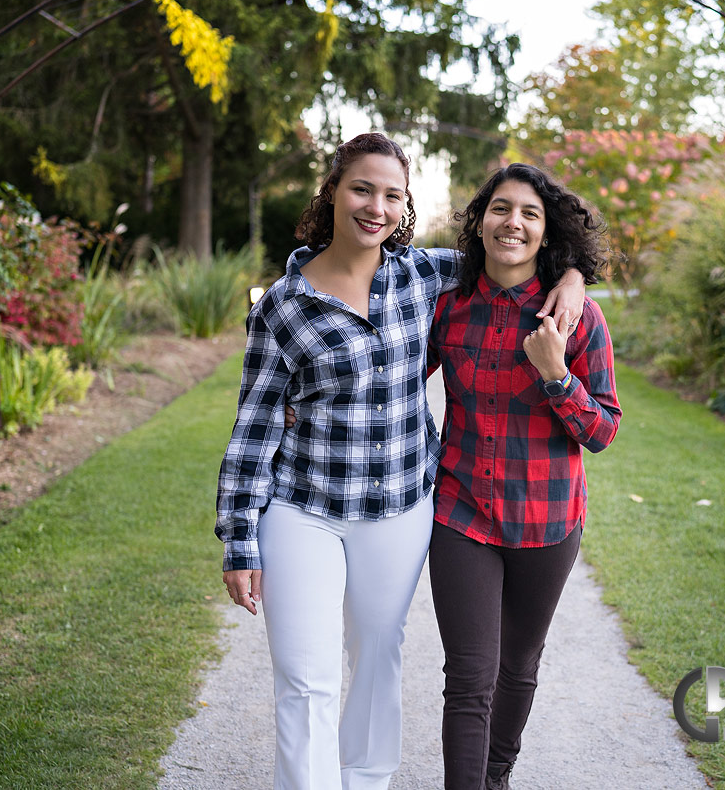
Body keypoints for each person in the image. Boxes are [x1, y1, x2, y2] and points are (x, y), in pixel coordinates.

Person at [215, 133, 585, 790]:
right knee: (306, 675)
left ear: (405, 205)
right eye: (362, 188)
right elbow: (253, 427)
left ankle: (364, 778)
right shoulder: (283, 305)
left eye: (393, 195)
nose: (376, 207)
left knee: (378, 655)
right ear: (333, 191)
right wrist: (239, 539)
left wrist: (574, 277)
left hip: (402, 507)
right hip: (305, 509)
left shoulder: (423, 275)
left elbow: (513, 252)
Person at [427, 163, 621, 790]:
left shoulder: (576, 319)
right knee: (470, 673)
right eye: (501, 209)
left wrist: (556, 375)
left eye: (530, 214)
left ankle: (496, 776)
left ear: (546, 233)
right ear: (480, 222)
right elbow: (391, 378)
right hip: (461, 513)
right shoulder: (448, 308)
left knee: (518, 665)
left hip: (547, 518)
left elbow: (602, 431)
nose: (514, 222)